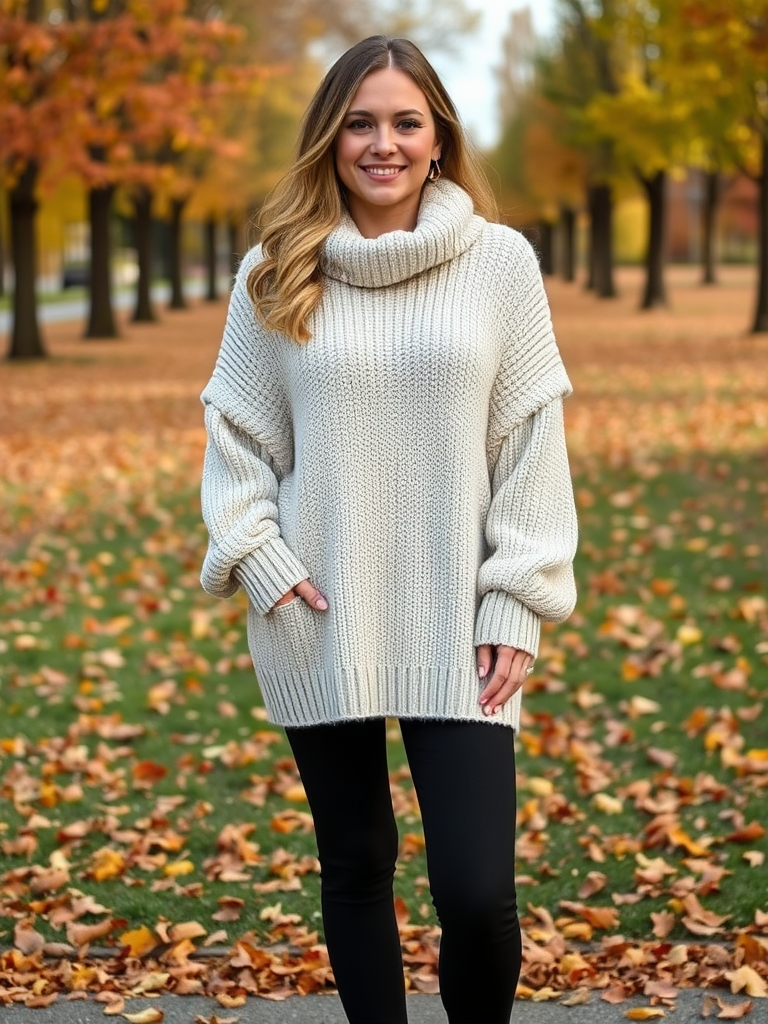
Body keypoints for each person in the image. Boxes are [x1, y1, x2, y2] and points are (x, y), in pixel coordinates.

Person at [199, 34, 578, 1024]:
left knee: (476, 892)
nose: (383, 143)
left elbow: (531, 440)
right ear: (329, 139)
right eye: (359, 122)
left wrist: (517, 596)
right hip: (317, 606)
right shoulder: (274, 273)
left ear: (439, 139)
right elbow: (236, 436)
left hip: (460, 618)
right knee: (358, 862)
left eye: (405, 122)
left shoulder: (501, 265)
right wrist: (262, 558)